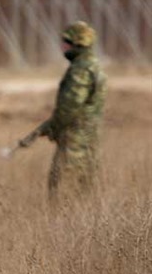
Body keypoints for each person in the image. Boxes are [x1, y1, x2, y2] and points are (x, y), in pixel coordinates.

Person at [25, 21, 106, 198]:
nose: (62, 46)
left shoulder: (81, 70)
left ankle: (63, 222)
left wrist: (54, 127)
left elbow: (70, 106)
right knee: (83, 184)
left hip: (76, 136)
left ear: (78, 44)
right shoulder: (92, 65)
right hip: (87, 134)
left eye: (66, 42)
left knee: (62, 183)